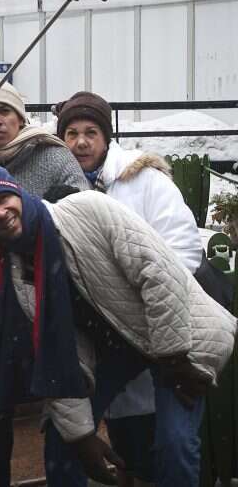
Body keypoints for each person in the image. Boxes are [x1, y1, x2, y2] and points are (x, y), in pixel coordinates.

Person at [0, 166, 237, 487]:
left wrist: (174, 358)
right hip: (115, 347)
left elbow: (159, 275)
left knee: (175, 444)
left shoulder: (89, 208)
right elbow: (56, 354)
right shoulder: (20, 273)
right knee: (63, 440)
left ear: (18, 192)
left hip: (173, 331)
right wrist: (81, 436)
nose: (1, 212)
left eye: (3, 198)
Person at [54, 91, 204, 486]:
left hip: (169, 326)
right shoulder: (59, 193)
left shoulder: (145, 181)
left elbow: (183, 248)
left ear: (107, 137)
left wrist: (140, 300)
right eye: (71, 133)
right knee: (127, 445)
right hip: (111, 339)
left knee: (175, 445)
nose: (81, 142)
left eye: (91, 132)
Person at [0, 78, 90, 487]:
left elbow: (82, 216)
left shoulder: (53, 156)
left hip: (54, 294)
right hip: (0, 300)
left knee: (63, 395)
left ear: (21, 116)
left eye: (5, 111)